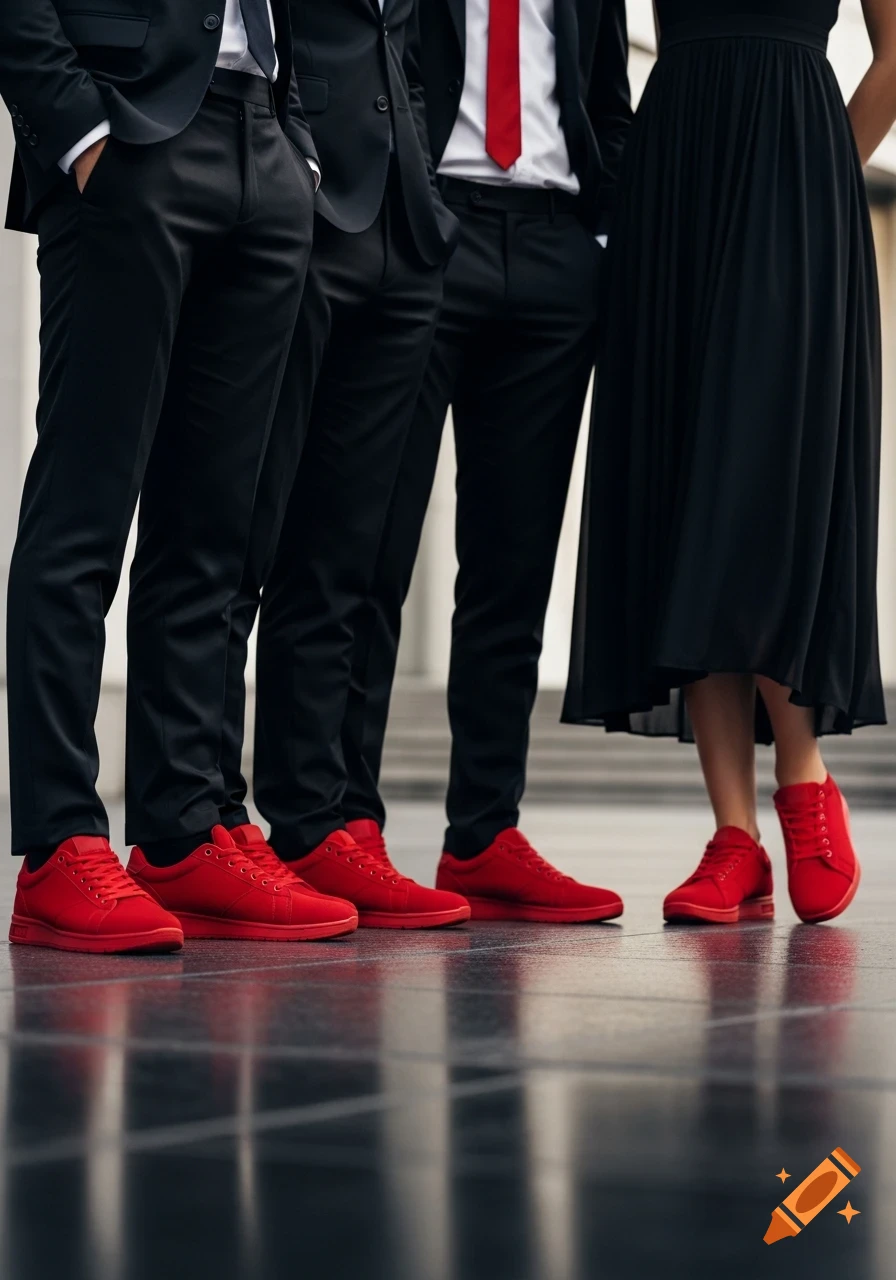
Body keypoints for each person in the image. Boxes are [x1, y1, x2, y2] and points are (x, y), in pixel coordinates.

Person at [2, 0, 359, 953]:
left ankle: (181, 829)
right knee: (85, 509)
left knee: (213, 527)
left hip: (263, 137)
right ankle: (57, 843)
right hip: (127, 132)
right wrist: (75, 128)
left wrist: (297, 145)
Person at [563, 0, 896, 926]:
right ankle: (734, 837)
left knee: (764, 479)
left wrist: (823, 167)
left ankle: (804, 778)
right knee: (685, 480)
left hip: (795, 170)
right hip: (678, 171)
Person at [314, 0, 632, 924]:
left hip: (554, 250)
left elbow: (606, 96)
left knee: (514, 569)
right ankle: (347, 822)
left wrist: (599, 241)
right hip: (427, 227)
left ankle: (484, 833)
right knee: (371, 548)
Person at [215, 0, 471, 928]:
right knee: (244, 531)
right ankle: (206, 813)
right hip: (297, 196)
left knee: (345, 553)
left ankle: (318, 820)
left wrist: (427, 184)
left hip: (405, 215)